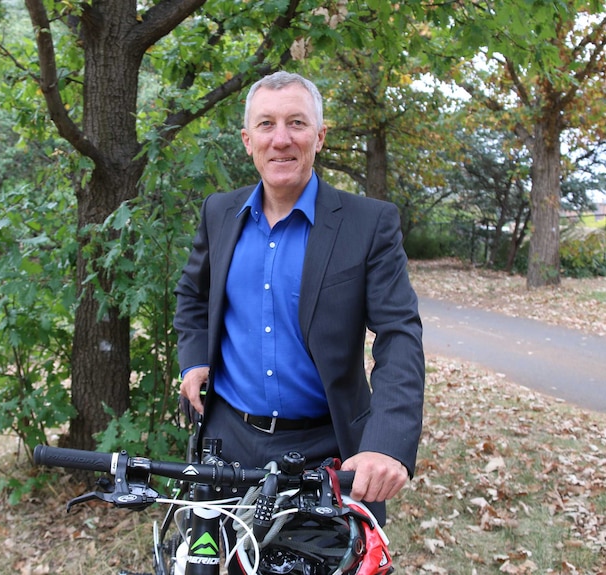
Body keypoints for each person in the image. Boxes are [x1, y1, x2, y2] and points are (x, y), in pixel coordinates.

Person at [173, 71, 424, 535]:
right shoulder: (219, 213)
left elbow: (399, 334)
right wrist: (193, 362)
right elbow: (193, 295)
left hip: (324, 451)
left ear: (320, 137)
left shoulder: (369, 224)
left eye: (297, 123)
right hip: (226, 445)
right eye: (266, 125)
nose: (281, 139)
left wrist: (387, 442)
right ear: (248, 141)